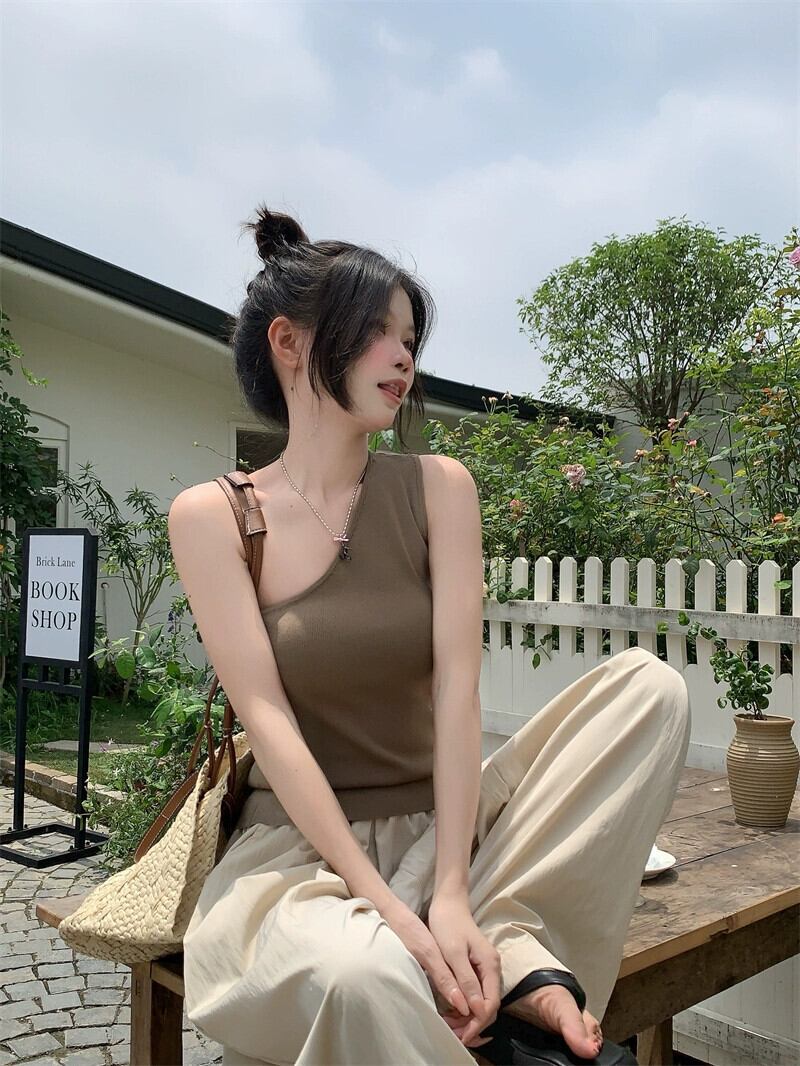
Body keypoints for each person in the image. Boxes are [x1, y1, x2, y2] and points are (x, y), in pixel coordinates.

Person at [167, 205, 691, 1066]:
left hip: (450, 828)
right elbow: (267, 720)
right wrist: (386, 907)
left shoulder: (440, 487)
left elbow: (457, 690)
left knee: (650, 690)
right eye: (376, 331)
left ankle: (489, 923)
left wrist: (447, 892)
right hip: (300, 854)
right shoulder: (216, 516)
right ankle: (503, 961)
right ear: (289, 343)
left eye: (409, 337)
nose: (403, 356)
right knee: (359, 976)